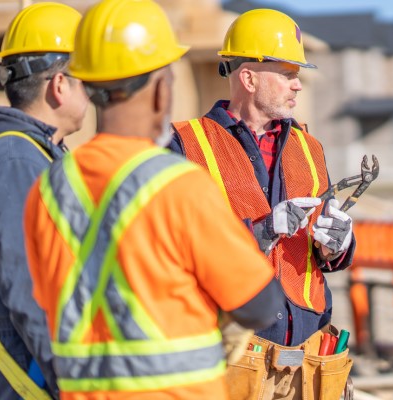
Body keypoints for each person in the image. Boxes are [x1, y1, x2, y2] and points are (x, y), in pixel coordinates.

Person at [22, 0, 283, 398]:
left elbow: (51, 305)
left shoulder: (48, 190)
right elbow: (260, 306)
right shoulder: (178, 187)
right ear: (162, 90)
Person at [169, 9, 355, 351]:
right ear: (249, 79)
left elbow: (322, 252)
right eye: (286, 74)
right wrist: (261, 232)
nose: (298, 83)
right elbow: (176, 248)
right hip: (228, 346)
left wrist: (337, 246)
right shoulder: (185, 144)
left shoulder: (309, 148)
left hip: (307, 347)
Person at [0, 3, 87, 398]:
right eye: (89, 80)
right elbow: (31, 291)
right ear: (60, 84)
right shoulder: (15, 160)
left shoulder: (39, 153)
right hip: (38, 377)